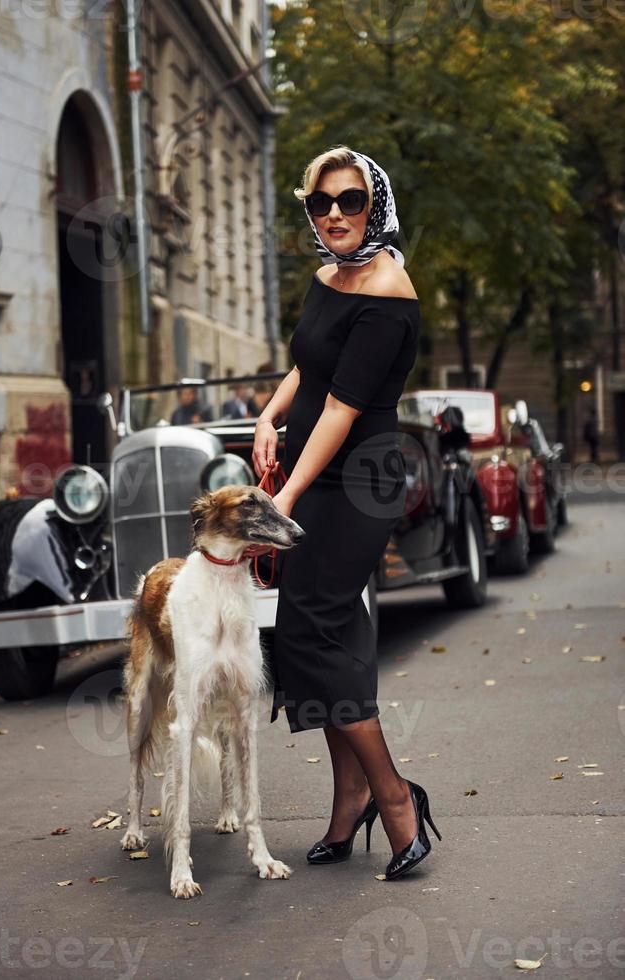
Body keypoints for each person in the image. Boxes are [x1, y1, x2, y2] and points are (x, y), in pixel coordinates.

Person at [252, 146, 439, 882]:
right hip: (310, 472)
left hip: (356, 482)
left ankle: (395, 799)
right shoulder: (329, 277)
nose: (334, 214)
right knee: (315, 635)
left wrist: (288, 493)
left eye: (350, 200)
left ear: (376, 204)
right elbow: (308, 366)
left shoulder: (387, 287)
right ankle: (350, 795)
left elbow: (341, 405)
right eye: (321, 202)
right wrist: (268, 414)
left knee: (316, 631)